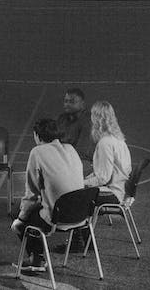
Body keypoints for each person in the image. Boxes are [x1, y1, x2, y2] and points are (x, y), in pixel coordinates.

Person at [55, 100, 132, 254]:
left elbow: (103, 178)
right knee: (81, 192)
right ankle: (86, 242)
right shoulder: (119, 139)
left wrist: (81, 183)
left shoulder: (105, 143)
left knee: (75, 197)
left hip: (113, 193)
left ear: (96, 119)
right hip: (122, 190)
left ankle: (78, 242)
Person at [11, 118, 83, 275]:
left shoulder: (37, 152)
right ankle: (37, 257)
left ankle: (36, 259)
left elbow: (31, 195)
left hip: (57, 217)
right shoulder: (70, 148)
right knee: (35, 209)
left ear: (37, 135)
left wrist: (20, 219)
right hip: (81, 215)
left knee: (18, 212)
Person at [56, 88, 94, 176]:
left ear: (82, 104)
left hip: (82, 162)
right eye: (66, 101)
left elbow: (82, 151)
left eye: (72, 102)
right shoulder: (61, 118)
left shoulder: (88, 121)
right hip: (64, 160)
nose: (67, 104)